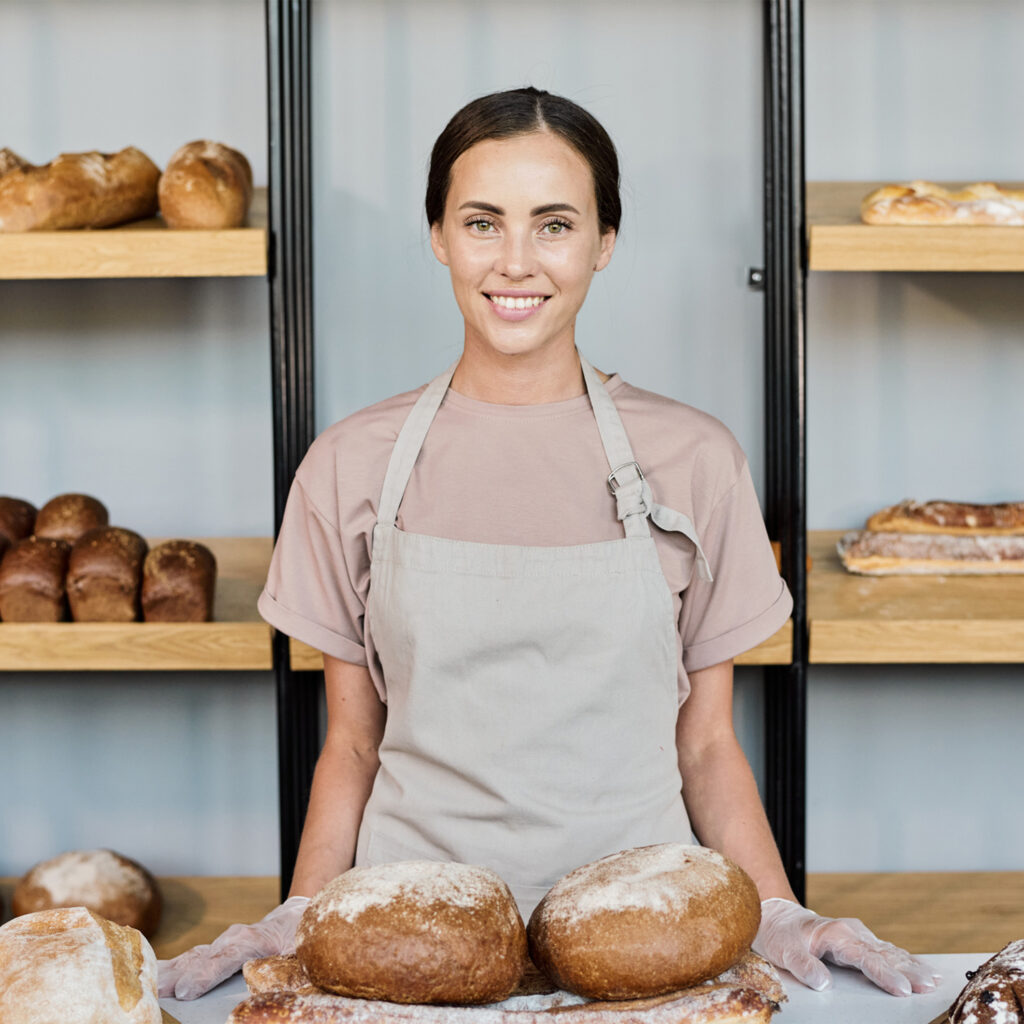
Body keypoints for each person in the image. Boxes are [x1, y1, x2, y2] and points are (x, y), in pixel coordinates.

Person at [159, 87, 940, 1002]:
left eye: (555, 223)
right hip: (409, 948)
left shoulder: (694, 460)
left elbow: (706, 746)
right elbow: (354, 742)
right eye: (483, 222)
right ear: (439, 236)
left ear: (605, 242)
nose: (516, 261)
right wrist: (304, 910)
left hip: (649, 948)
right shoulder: (348, 465)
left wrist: (777, 909)